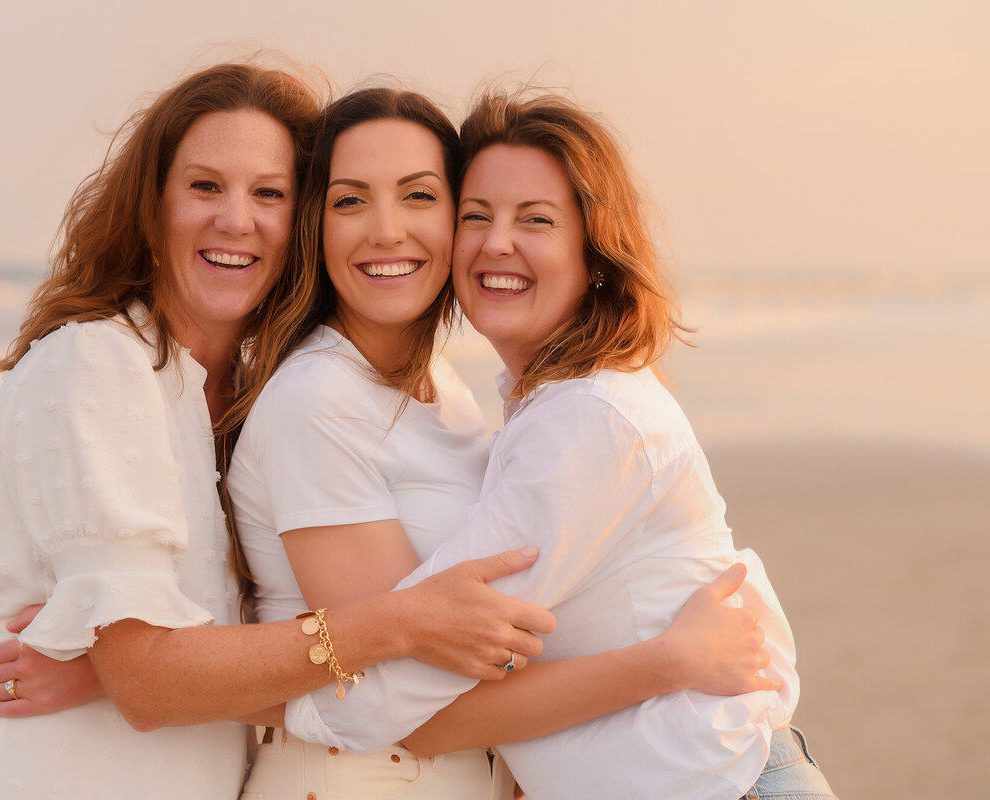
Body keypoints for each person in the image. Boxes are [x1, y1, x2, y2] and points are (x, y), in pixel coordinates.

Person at [0, 65, 557, 800]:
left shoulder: (242, 389)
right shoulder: (101, 364)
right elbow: (148, 681)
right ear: (152, 205)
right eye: (205, 186)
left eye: (269, 193)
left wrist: (115, 671)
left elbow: (213, 634)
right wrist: (402, 622)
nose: (236, 219)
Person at [279, 90, 837, 800]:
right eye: (476, 215)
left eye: (535, 219)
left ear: (594, 253)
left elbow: (407, 684)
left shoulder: (589, 420)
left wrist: (266, 706)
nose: (496, 242)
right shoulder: (537, 409)